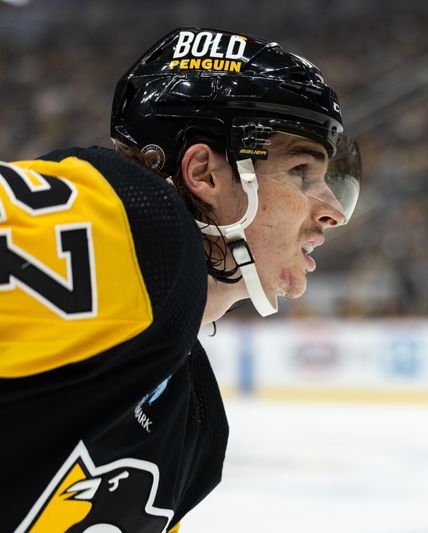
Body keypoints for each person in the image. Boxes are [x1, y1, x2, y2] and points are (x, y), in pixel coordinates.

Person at [0, 27, 361, 532]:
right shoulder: (129, 228)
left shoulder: (193, 423)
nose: (333, 213)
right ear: (204, 174)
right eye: (302, 172)